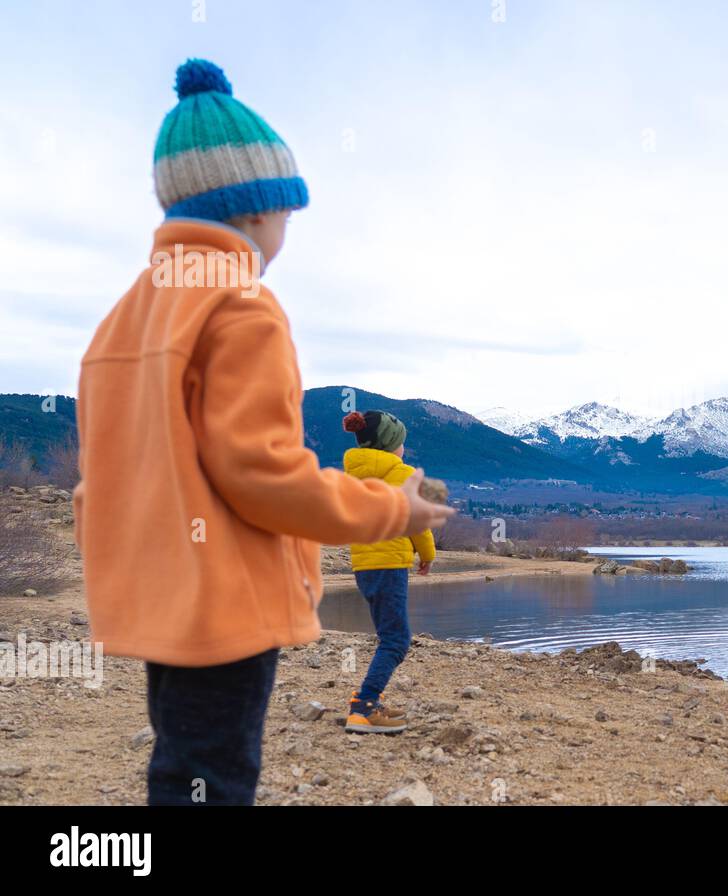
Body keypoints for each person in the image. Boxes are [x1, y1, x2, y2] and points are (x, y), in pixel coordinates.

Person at [73, 59, 453, 805]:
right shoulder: (242, 304)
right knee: (216, 776)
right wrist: (394, 511)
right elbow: (265, 477)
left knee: (180, 763)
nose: (287, 230)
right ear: (252, 210)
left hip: (156, 596)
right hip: (222, 601)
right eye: (286, 211)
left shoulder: (125, 315)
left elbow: (112, 470)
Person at [340, 410, 436, 734]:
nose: (404, 449)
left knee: (388, 636)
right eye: (401, 443)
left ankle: (370, 701)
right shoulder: (402, 475)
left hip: (364, 566)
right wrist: (427, 555)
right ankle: (363, 707)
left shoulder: (353, 476)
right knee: (396, 640)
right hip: (391, 563)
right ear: (390, 446)